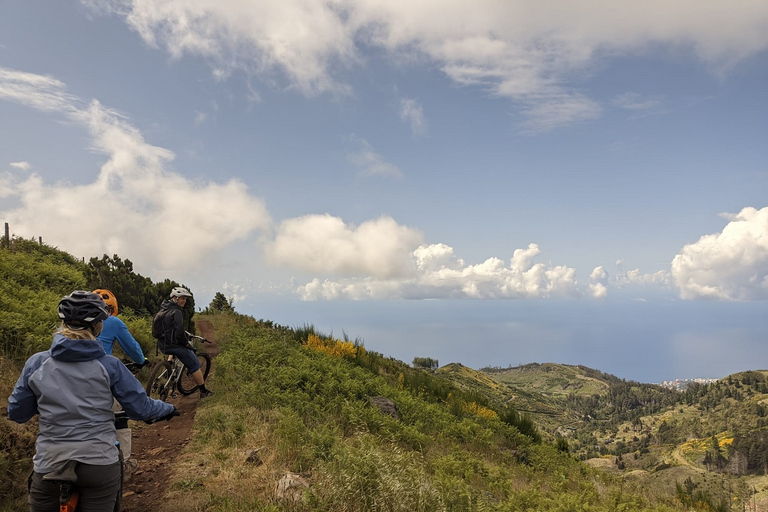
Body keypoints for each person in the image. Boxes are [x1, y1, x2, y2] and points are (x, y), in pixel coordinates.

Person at [8, 290, 178, 512]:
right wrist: (167, 408)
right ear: (98, 326)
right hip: (98, 462)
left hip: (50, 463)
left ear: (62, 323)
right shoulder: (110, 365)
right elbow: (141, 409)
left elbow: (17, 413)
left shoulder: (36, 363)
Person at [93, 288, 149, 480]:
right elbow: (132, 347)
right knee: (121, 416)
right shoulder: (113, 322)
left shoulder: (64, 330)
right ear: (110, 309)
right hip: (102, 377)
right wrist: (141, 360)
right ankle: (123, 464)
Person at [153, 286, 214, 398]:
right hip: (173, 346)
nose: (184, 301)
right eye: (183, 298)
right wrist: (186, 344)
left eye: (185, 299)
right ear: (175, 298)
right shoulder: (176, 312)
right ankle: (203, 391)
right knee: (195, 364)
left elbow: (169, 328)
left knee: (174, 348)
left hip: (162, 345)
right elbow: (179, 333)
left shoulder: (163, 309)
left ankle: (169, 366)